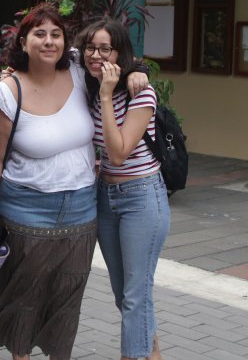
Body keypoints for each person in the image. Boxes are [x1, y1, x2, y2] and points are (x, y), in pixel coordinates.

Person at [0, 3, 100, 360]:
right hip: (26, 208)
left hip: (82, 207)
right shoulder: (8, 91)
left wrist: (137, 74)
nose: (49, 41)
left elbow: (114, 53)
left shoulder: (76, 70)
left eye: (55, 34)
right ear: (23, 42)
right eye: (39, 34)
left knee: (67, 295)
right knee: (23, 296)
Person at [80, 18, 169, 360]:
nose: (96, 55)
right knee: (127, 296)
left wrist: (106, 94)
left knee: (135, 295)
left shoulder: (139, 91)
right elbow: (52, 52)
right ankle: (153, 355)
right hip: (105, 197)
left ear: (120, 52)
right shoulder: (86, 78)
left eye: (106, 48)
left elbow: (117, 152)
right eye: (91, 47)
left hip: (141, 198)